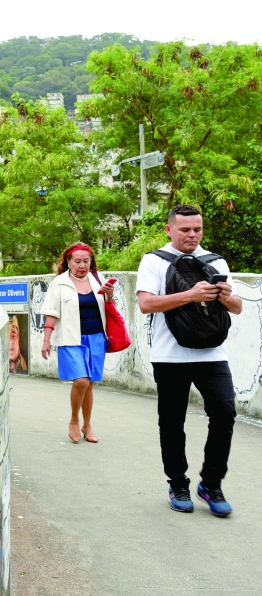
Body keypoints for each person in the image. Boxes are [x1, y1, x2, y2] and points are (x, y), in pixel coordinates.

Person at [136, 204, 242, 517]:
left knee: (224, 412)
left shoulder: (215, 260)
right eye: (185, 230)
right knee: (172, 422)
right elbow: (146, 304)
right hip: (170, 357)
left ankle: (211, 483)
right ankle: (178, 483)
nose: (192, 235)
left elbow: (236, 307)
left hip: (213, 354)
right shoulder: (154, 260)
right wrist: (191, 295)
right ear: (169, 229)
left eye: (197, 229)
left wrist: (223, 295)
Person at [40, 242, 115, 444]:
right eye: (78, 261)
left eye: (86, 261)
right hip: (70, 338)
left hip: (96, 337)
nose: (82, 265)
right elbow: (51, 313)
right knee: (81, 380)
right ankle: (74, 420)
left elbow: (109, 307)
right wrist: (46, 340)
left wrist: (109, 295)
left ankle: (87, 425)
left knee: (89, 384)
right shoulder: (59, 283)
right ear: (68, 262)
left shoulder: (98, 280)